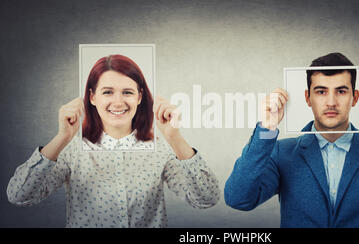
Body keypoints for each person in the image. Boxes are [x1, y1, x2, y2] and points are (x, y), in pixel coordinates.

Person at [224, 52, 359, 227]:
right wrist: (267, 129)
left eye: (341, 91)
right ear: (308, 98)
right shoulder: (282, 153)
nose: (330, 102)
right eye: (320, 91)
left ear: (354, 97)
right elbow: (238, 199)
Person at [7, 54, 220, 227]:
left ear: (139, 97)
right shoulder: (70, 152)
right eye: (107, 92)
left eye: (127, 92)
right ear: (92, 97)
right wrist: (61, 138)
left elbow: (206, 199)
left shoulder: (160, 150)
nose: (118, 102)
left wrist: (175, 138)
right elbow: (19, 195)